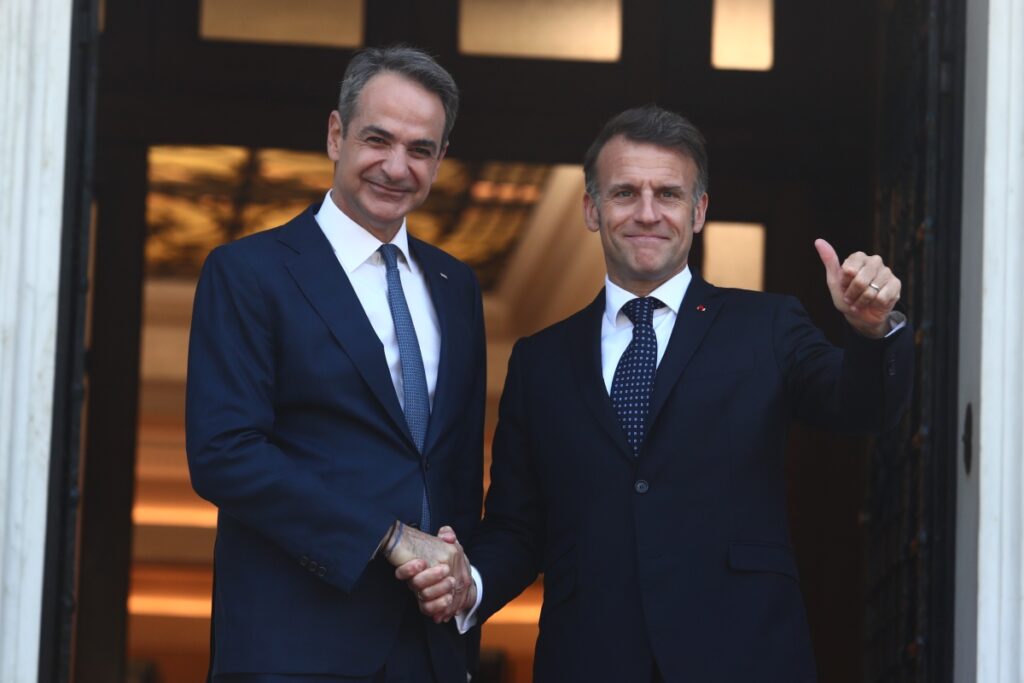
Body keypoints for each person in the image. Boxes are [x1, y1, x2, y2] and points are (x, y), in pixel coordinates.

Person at [399, 105, 914, 682]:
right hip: (589, 660)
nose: (647, 213)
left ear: (699, 211)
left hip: (742, 656)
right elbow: (518, 527)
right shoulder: (540, 361)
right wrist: (471, 583)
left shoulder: (766, 326)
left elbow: (861, 406)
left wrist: (871, 331)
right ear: (592, 209)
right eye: (625, 193)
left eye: (668, 194)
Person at [185, 45, 482, 683]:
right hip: (294, 648)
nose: (397, 167)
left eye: (421, 149)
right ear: (335, 135)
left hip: (427, 652)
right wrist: (387, 535)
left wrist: (461, 590)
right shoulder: (249, 273)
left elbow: (454, 469)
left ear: (440, 159)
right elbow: (224, 454)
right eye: (378, 139)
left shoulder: (456, 286)